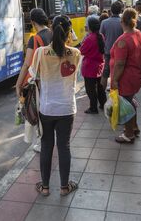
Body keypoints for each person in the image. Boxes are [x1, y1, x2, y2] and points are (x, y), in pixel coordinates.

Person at [32, 15, 81, 197]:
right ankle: (64, 187)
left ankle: (44, 187)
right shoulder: (75, 53)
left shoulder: (41, 53)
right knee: (64, 146)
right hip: (67, 108)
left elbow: (33, 76)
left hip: (47, 108)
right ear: (69, 32)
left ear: (51, 30)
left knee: (46, 146)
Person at [15, 8, 51, 153]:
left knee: (39, 111)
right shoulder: (55, 33)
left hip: (39, 82)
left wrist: (18, 84)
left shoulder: (34, 39)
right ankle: (49, 139)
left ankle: (43, 144)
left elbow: (27, 63)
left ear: (33, 22)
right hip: (54, 79)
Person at [110, 8, 141, 143]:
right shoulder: (139, 34)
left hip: (125, 78)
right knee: (131, 102)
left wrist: (114, 80)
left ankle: (129, 134)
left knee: (126, 105)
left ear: (122, 22)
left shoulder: (123, 40)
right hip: (136, 74)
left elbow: (119, 64)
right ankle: (134, 127)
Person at [80, 16, 106, 114]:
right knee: (99, 87)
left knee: (90, 89)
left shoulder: (89, 38)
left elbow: (82, 51)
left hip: (89, 67)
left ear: (89, 26)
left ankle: (93, 107)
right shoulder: (101, 36)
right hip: (99, 66)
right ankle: (103, 103)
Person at [100, 1, 124, 88]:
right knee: (119, 72)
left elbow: (101, 36)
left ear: (111, 10)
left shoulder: (104, 22)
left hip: (108, 51)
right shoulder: (123, 22)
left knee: (105, 72)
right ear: (121, 10)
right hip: (121, 51)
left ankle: (102, 93)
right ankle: (117, 91)